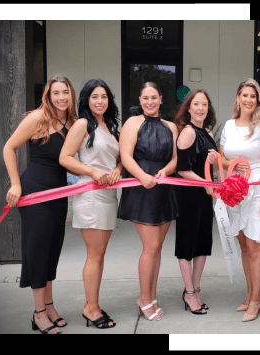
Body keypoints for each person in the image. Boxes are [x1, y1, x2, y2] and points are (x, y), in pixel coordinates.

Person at [3, 75, 77, 334]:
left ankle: (49, 305)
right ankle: (38, 313)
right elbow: (9, 147)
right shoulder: (37, 118)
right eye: (56, 93)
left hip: (58, 194)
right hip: (35, 192)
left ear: (71, 94)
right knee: (37, 252)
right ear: (48, 95)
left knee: (51, 251)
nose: (61, 97)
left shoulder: (71, 122)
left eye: (65, 92)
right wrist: (15, 184)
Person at [59, 79, 122, 329]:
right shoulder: (83, 124)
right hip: (91, 194)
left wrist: (118, 169)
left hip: (108, 195)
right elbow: (65, 157)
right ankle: (91, 308)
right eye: (95, 97)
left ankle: (93, 303)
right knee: (94, 255)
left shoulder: (109, 126)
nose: (100, 101)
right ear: (86, 100)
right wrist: (93, 172)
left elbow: (117, 159)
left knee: (100, 254)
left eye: (104, 96)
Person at [117, 81, 178, 321]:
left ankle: (152, 295)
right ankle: (143, 298)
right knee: (150, 247)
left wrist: (166, 172)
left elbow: (175, 158)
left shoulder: (171, 126)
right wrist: (143, 177)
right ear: (140, 100)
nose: (150, 102)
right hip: (142, 188)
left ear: (161, 99)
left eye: (154, 97)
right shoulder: (132, 123)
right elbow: (125, 156)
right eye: (145, 98)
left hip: (164, 188)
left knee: (158, 248)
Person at [219, 78, 260, 322]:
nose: (248, 100)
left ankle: (256, 299)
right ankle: (250, 293)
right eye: (244, 95)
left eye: (253, 96)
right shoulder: (229, 126)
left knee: (255, 247)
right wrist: (232, 166)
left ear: (258, 100)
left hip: (257, 191)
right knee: (243, 246)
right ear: (238, 98)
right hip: (235, 193)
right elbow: (222, 161)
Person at [174, 89, 219, 315]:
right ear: (188, 107)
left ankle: (196, 288)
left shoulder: (207, 131)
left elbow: (207, 163)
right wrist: (206, 184)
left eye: (204, 104)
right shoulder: (188, 133)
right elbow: (182, 170)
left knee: (202, 244)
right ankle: (189, 292)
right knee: (186, 245)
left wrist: (213, 162)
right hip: (190, 196)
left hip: (204, 195)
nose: (201, 108)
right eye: (196, 104)